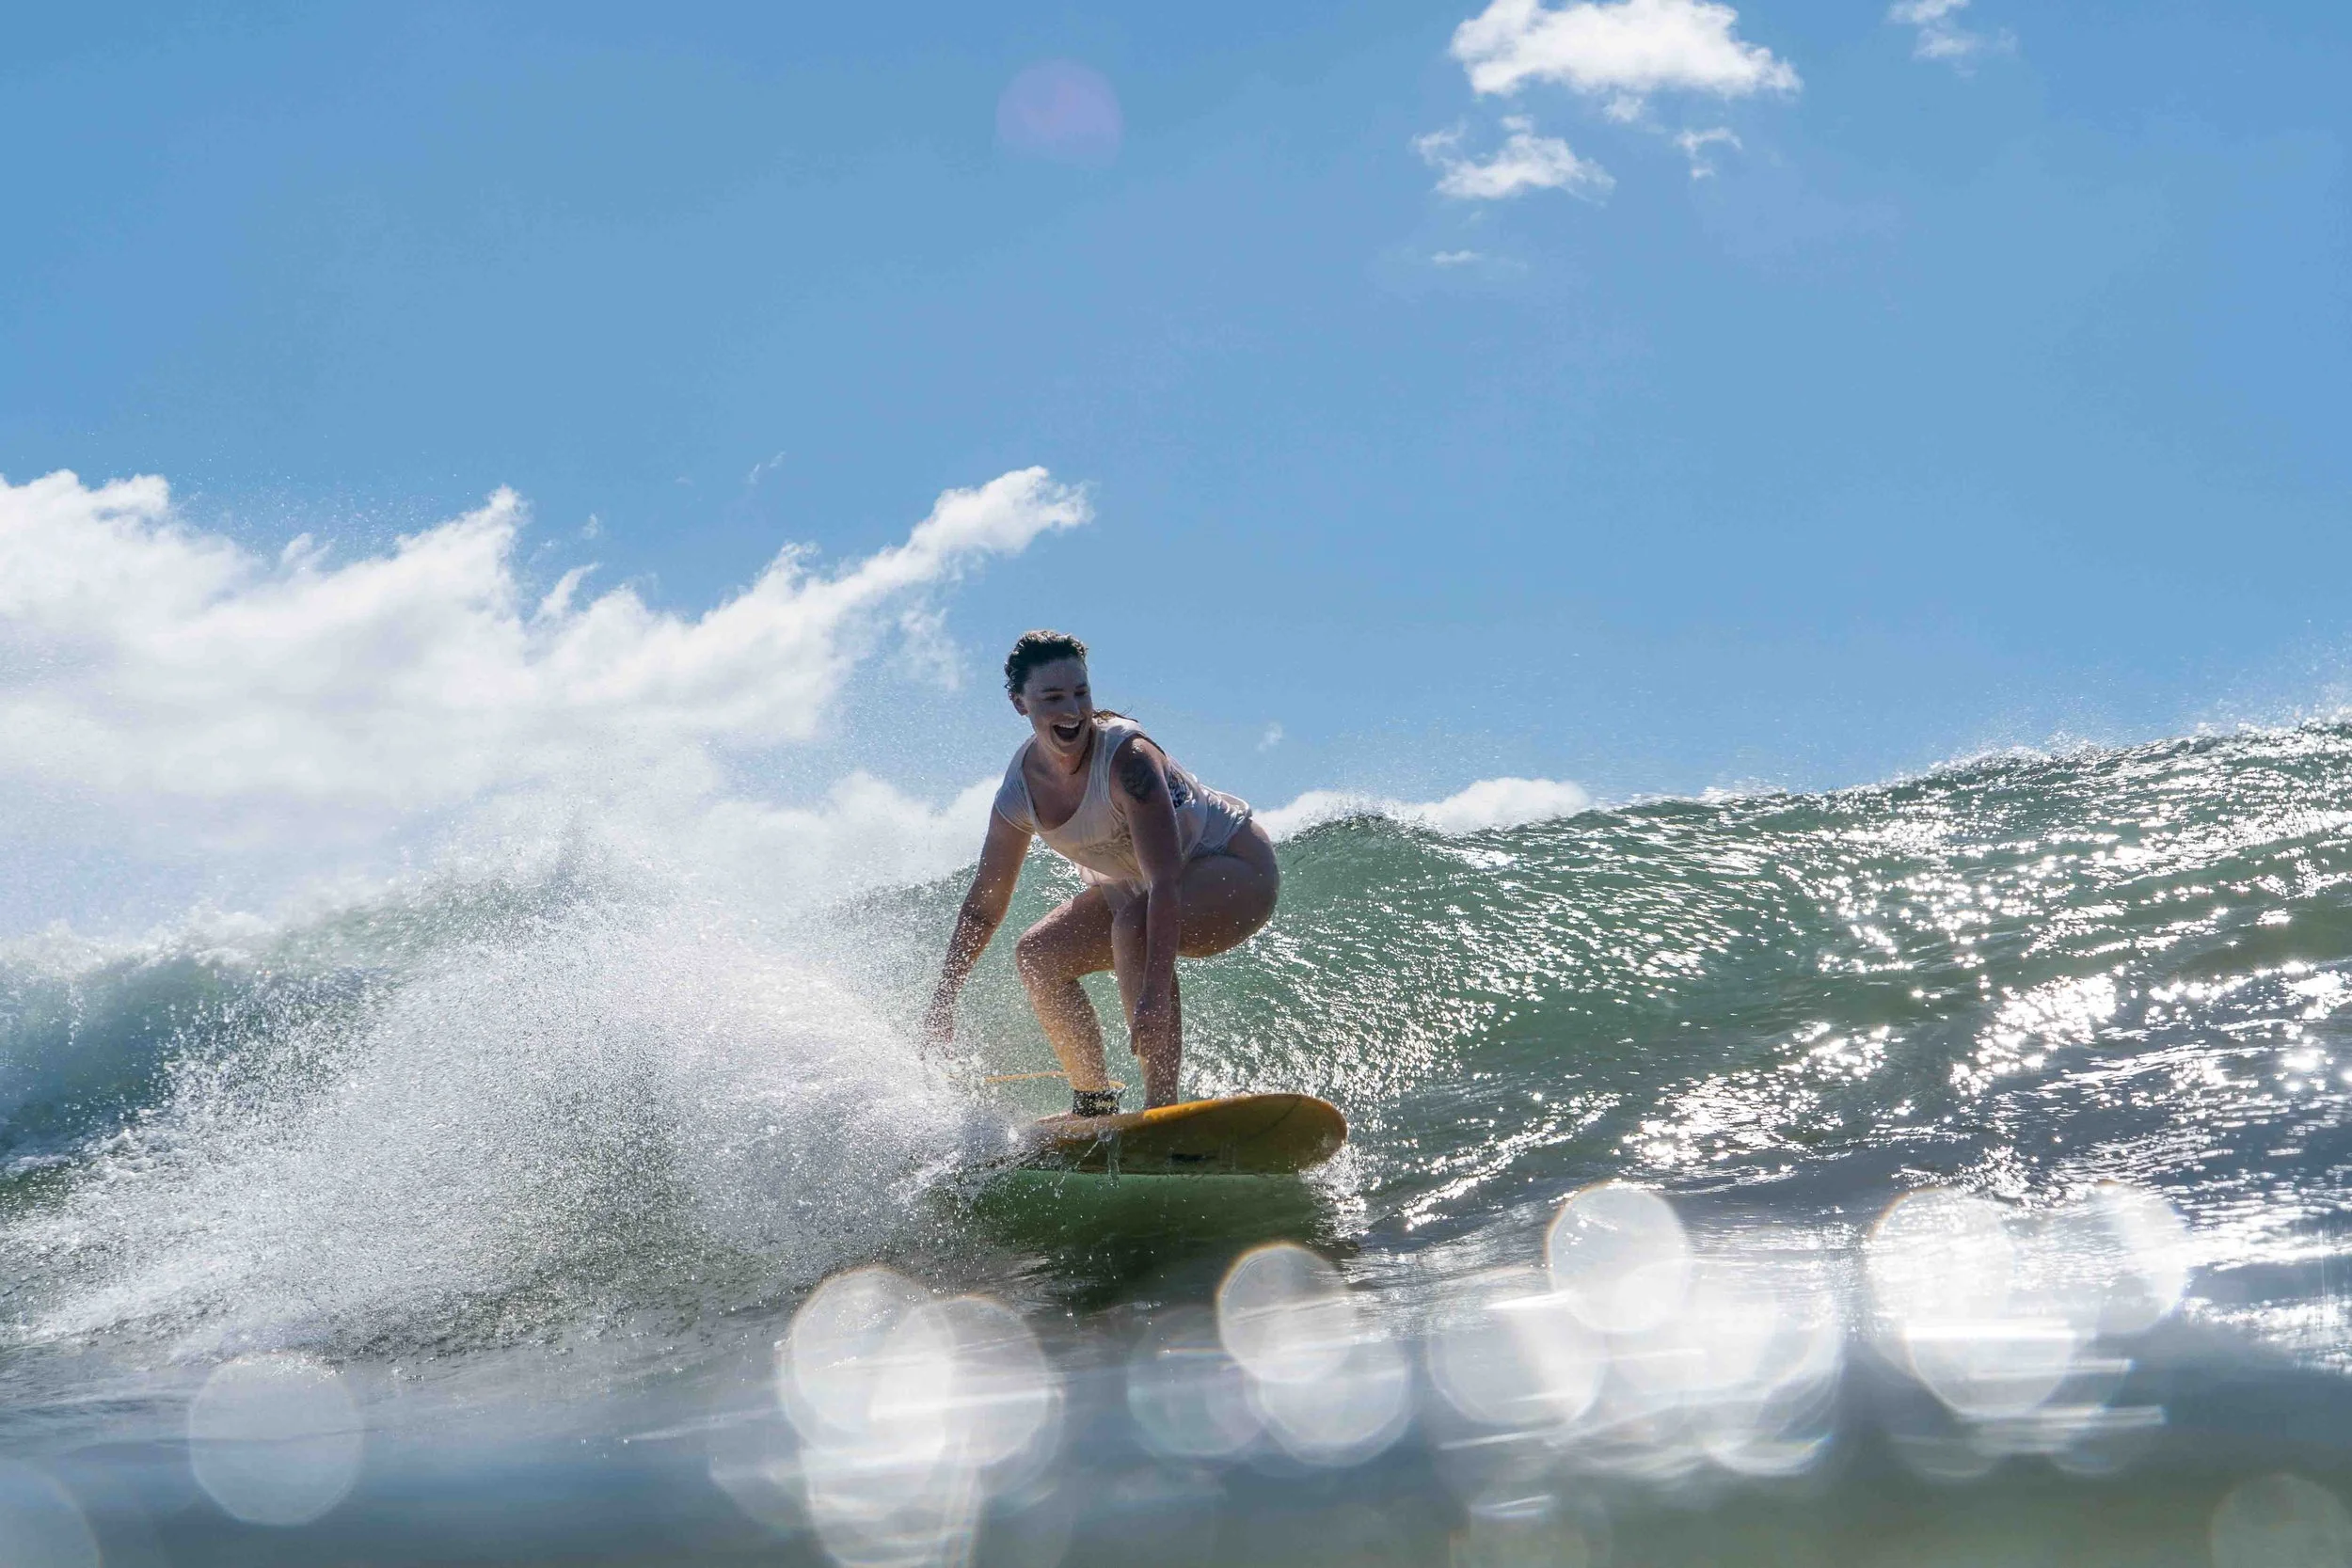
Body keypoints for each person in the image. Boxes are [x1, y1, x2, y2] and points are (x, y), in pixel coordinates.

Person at [923, 630, 1280, 1115]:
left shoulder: (1127, 760)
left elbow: (1164, 883)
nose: (1073, 710)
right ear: (1020, 704)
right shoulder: (1019, 793)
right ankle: (1093, 1102)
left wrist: (1154, 996)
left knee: (1134, 925)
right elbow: (984, 906)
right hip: (1143, 887)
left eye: (1081, 692)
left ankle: (1161, 1108)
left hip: (1234, 868)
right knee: (1038, 954)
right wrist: (945, 998)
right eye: (1053, 697)